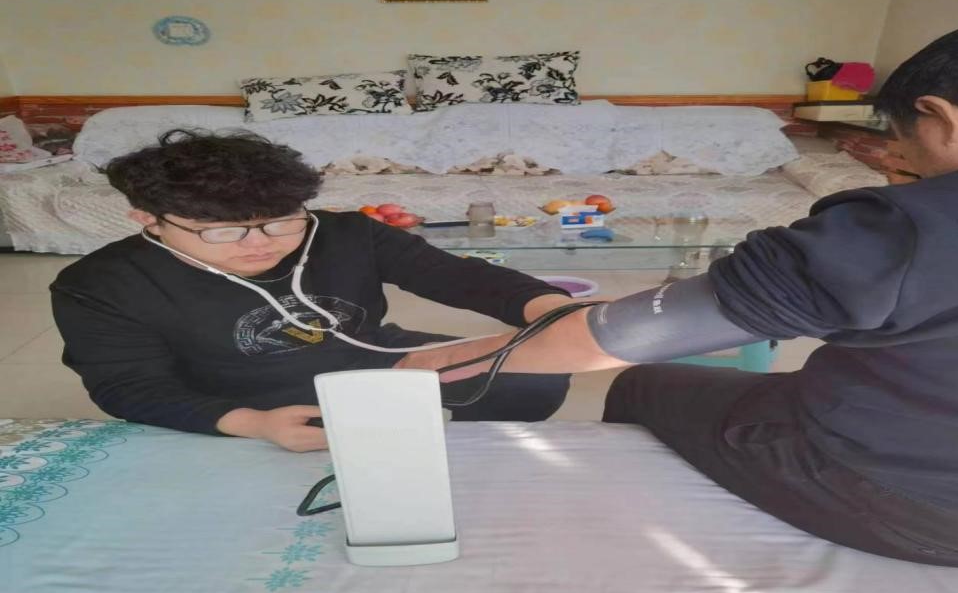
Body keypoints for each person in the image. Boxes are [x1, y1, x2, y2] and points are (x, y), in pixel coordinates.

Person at [398, 23, 958, 566]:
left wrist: (429, 366)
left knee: (642, 381)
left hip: (920, 506)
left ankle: (632, 540)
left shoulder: (897, 229)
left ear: (941, 115)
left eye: (901, 137)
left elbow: (616, 338)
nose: (899, 157)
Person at [51, 129, 575, 452]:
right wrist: (254, 424)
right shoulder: (99, 285)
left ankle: (466, 458)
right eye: (224, 231)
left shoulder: (346, 233)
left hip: (375, 358)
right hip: (240, 395)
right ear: (148, 219)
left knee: (532, 380)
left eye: (281, 222)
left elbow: (459, 276)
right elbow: (130, 387)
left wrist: (552, 306)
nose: (260, 244)